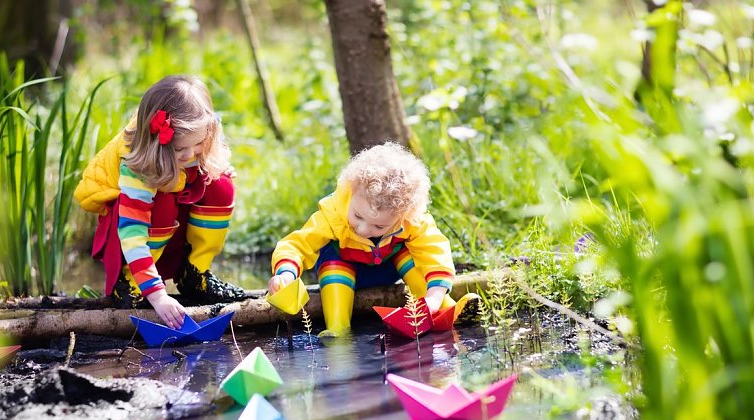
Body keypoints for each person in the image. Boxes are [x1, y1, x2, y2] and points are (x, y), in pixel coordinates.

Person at [74, 75, 246, 329]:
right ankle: (131, 284)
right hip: (125, 227)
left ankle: (193, 273)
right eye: (180, 150)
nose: (189, 154)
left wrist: (209, 165)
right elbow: (132, 235)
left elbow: (197, 155)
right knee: (163, 202)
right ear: (158, 143)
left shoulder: (194, 141)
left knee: (220, 184)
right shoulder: (139, 164)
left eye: (198, 144)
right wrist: (158, 296)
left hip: (172, 206)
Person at [268, 142, 480, 336]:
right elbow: (297, 244)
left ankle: (445, 308)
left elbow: (434, 250)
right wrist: (286, 274)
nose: (362, 229)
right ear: (351, 191)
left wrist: (434, 294)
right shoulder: (333, 215)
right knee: (333, 261)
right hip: (346, 273)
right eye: (358, 216)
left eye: (379, 226)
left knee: (413, 255)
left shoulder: (410, 221)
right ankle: (338, 328)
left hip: (389, 268)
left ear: (404, 215)